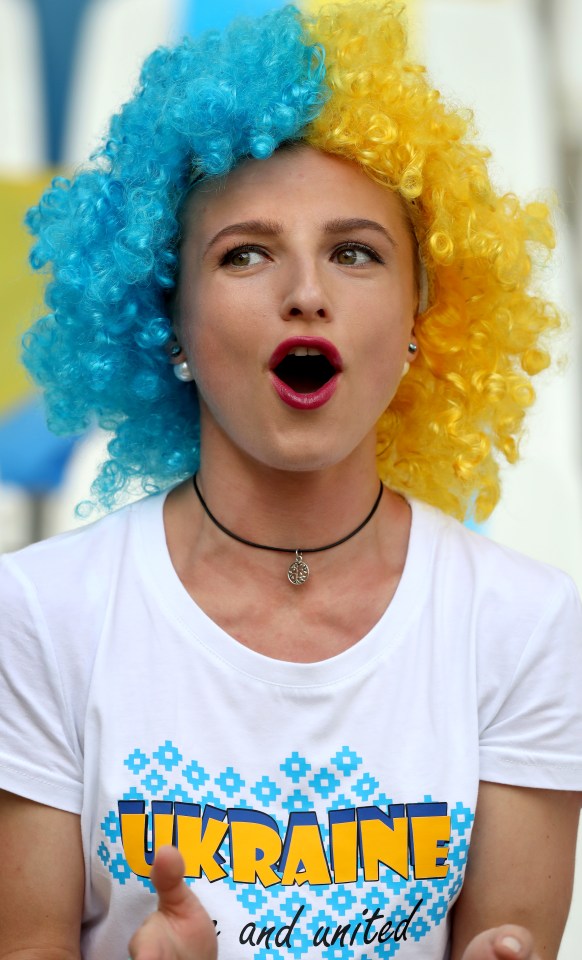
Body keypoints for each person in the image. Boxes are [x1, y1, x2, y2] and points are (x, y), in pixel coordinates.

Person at [0, 2, 581, 959]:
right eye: (246, 253)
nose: (305, 290)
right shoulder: (39, 615)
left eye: (355, 252)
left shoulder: (522, 626)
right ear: (168, 318)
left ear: (420, 320)